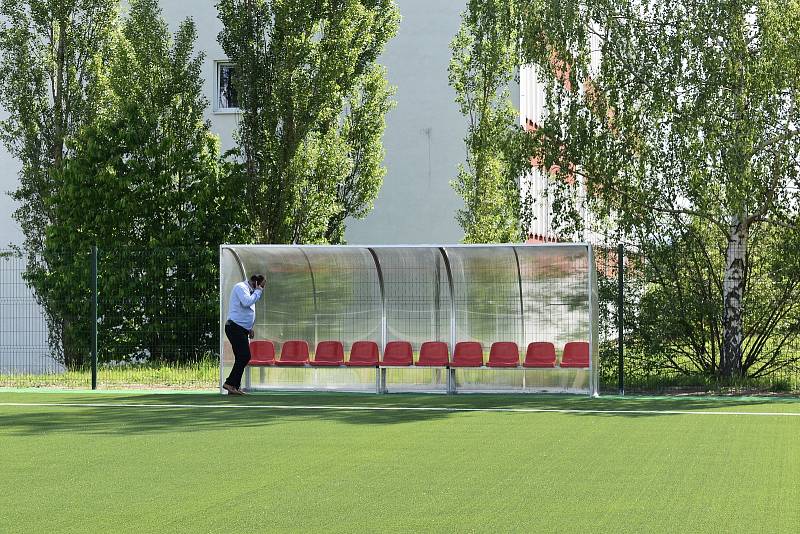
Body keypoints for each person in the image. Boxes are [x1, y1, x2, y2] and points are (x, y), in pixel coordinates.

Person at [223, 273, 265, 395]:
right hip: (234, 327)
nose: (262, 288)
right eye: (262, 285)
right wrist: (258, 291)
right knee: (244, 356)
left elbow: (247, 310)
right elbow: (247, 302)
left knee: (241, 357)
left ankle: (234, 386)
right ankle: (230, 383)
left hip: (241, 329)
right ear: (256, 283)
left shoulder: (251, 291)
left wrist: (249, 328)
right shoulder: (241, 287)